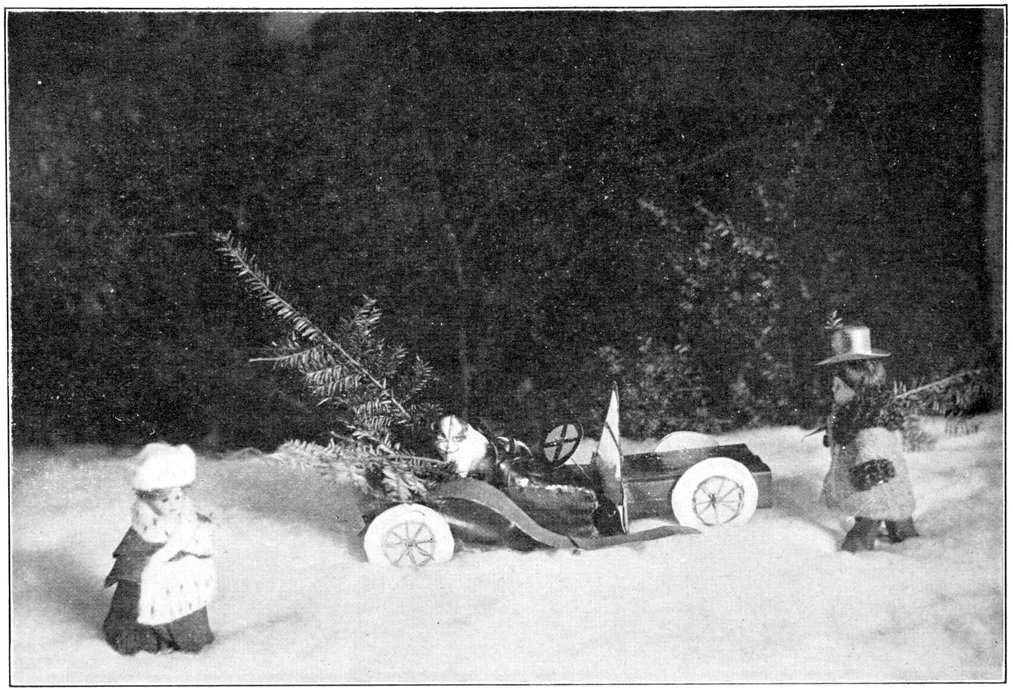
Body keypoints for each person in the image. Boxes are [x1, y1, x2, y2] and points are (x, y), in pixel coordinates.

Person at [103, 443, 216, 654]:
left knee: (192, 628)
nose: (174, 504)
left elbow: (201, 548)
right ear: (146, 497)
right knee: (135, 605)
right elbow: (132, 564)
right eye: (165, 500)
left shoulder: (190, 521)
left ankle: (187, 637)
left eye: (178, 497)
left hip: (186, 587)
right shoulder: (144, 528)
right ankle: (148, 638)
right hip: (148, 588)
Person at [815, 325, 919, 552]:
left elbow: (874, 448)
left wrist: (871, 468)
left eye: (838, 386)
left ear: (856, 388)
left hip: (873, 486)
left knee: (873, 513)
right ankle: (902, 531)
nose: (833, 390)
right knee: (893, 507)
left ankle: (860, 548)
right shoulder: (855, 413)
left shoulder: (870, 421)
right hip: (878, 484)